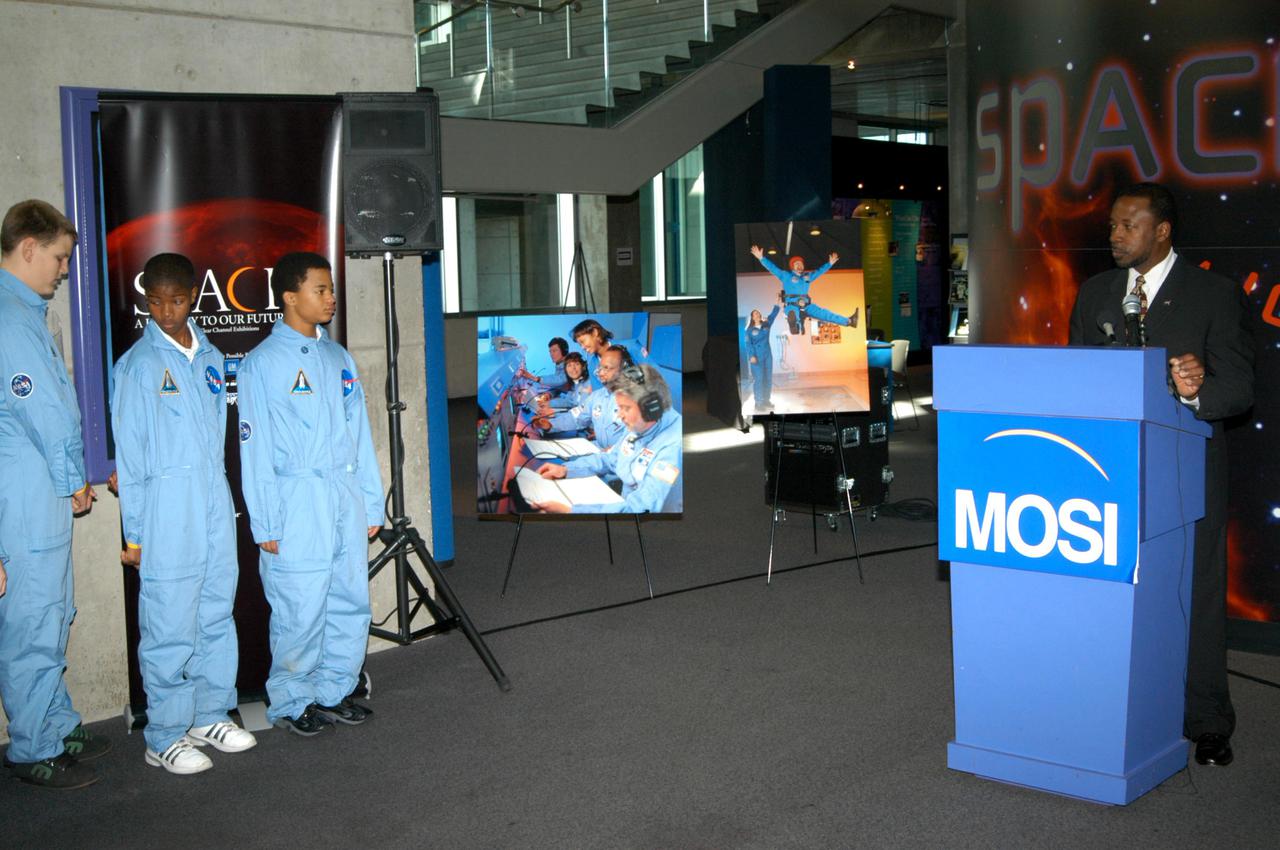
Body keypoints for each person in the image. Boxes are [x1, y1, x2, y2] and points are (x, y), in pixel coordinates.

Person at [1068, 182, 1254, 768]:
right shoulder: (1095, 293)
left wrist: (1197, 390)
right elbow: (1074, 377)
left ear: (1163, 230)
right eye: (1113, 226)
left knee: (1193, 593)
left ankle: (1205, 720)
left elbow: (1239, 387)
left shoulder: (1211, 294)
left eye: (1129, 225)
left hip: (1185, 469)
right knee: (1109, 589)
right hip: (1106, 469)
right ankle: (1104, 704)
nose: (1115, 235)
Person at [111, 253, 257, 775]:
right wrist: (135, 534)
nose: (166, 312)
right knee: (170, 620)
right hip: (166, 507)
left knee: (215, 611)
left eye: (176, 301)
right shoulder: (137, 367)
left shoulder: (213, 357)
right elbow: (129, 459)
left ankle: (208, 713)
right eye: (155, 302)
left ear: (193, 297)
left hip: (213, 499)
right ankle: (165, 733)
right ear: (145, 300)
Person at [238, 252, 385, 736]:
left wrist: (369, 499)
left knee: (348, 600)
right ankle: (292, 699)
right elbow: (253, 446)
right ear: (289, 296)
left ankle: (333, 689)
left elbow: (358, 433)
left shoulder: (337, 356)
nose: (330, 298)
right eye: (320, 290)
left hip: (342, 495)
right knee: (300, 608)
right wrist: (266, 522)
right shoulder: (261, 363)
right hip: (296, 499)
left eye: (331, 290)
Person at [0, 199, 108, 789]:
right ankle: (32, 748)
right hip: (24, 500)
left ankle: (58, 723)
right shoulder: (11, 320)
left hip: (37, 497)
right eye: (60, 258)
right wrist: (74, 480)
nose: (64, 271)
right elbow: (44, 413)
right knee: (33, 625)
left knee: (53, 613)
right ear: (29, 247)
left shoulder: (26, 312)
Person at [532, 364, 682, 514]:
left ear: (650, 408)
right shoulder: (639, 425)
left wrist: (572, 512)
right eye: (619, 408)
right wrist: (566, 470)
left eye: (626, 408)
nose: (619, 415)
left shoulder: (672, 449)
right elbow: (611, 459)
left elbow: (641, 509)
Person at [750, 245, 859, 334]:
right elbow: (773, 268)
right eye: (796, 264)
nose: (799, 266)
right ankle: (795, 326)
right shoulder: (786, 276)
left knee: (825, 314)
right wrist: (761, 258)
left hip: (807, 305)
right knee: (792, 312)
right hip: (791, 304)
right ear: (792, 267)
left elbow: (819, 271)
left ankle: (849, 321)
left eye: (801, 264)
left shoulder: (807, 277)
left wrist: (829, 263)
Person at [541, 344, 632, 450]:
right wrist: (550, 425)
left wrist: (615, 449)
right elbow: (577, 417)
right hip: (599, 450)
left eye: (606, 368)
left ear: (624, 369)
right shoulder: (597, 396)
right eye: (600, 368)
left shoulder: (635, 400)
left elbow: (639, 441)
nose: (600, 373)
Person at [744, 296, 783, 413]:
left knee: (768, 379)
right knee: (759, 379)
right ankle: (758, 403)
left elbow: (773, 315)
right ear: (752, 317)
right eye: (754, 313)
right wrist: (751, 356)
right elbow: (748, 344)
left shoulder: (766, 325)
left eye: (758, 313)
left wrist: (777, 302)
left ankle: (766, 400)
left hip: (767, 355)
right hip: (756, 357)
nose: (757, 314)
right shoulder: (749, 330)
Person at [571, 318, 614, 389]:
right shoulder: (592, 365)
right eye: (580, 345)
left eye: (583, 341)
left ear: (595, 333)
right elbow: (597, 392)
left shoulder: (630, 347)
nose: (582, 347)